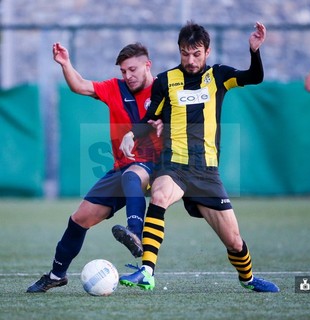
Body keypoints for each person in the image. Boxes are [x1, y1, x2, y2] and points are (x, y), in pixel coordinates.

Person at [118, 21, 280, 293]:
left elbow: (255, 76)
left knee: (235, 242)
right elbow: (150, 118)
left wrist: (254, 51)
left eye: (196, 53)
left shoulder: (219, 76)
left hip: (206, 173)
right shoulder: (166, 80)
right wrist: (132, 134)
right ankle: (147, 271)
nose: (190, 60)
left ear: (207, 51)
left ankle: (248, 279)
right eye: (184, 53)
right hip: (175, 166)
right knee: (159, 196)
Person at [26, 42, 162, 293]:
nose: (127, 76)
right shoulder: (114, 88)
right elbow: (79, 85)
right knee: (79, 219)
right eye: (123, 71)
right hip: (122, 168)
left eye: (132, 69)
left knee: (133, 177)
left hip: (156, 166)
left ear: (147, 65)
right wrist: (65, 63)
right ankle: (57, 275)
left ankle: (135, 232)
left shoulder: (163, 89)